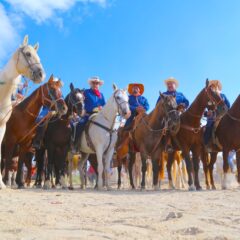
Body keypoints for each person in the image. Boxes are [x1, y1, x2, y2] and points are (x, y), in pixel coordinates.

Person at [73, 76, 106, 151]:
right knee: (80, 124)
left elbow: (104, 105)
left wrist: (102, 108)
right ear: (91, 84)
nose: (95, 84)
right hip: (88, 115)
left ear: (99, 84)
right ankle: (75, 144)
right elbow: (80, 101)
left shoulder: (102, 95)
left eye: (97, 83)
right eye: (93, 83)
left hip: (99, 115)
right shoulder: (86, 92)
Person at [203, 80, 230, 147]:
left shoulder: (223, 95)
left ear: (218, 87)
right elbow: (204, 110)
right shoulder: (209, 97)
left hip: (224, 115)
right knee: (209, 126)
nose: (215, 87)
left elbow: (228, 105)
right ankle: (206, 144)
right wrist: (207, 113)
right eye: (213, 86)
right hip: (212, 116)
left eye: (216, 86)